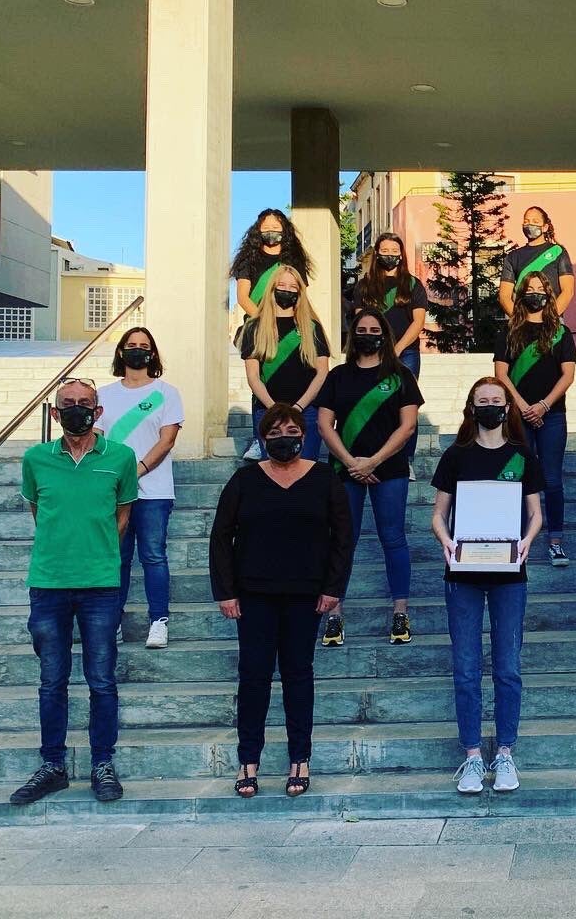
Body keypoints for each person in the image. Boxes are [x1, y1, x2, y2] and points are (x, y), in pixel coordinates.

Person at [210, 405, 351, 798]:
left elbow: (342, 537)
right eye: (274, 432)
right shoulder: (243, 480)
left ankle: (299, 760)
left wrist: (333, 588)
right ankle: (248, 763)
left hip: (306, 596)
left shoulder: (324, 479)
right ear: (263, 437)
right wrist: (226, 591)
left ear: (304, 436)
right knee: (253, 677)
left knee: (298, 676)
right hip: (253, 596)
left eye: (291, 430)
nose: (283, 437)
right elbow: (221, 537)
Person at [10, 379, 139, 806]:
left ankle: (103, 763)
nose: (77, 410)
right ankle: (53, 766)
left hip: (101, 584)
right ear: (54, 413)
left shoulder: (120, 458)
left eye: (85, 403)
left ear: (98, 412)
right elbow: (37, 510)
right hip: (48, 583)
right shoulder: (35, 459)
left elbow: (122, 515)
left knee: (102, 681)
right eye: (68, 404)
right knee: (52, 681)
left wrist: (96, 550)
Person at [431, 378, 545, 795]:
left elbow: (535, 514)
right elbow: (438, 515)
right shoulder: (456, 456)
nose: (491, 406)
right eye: (484, 401)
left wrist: (528, 542)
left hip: (508, 574)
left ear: (508, 406)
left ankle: (506, 754)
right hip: (462, 574)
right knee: (465, 669)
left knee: (507, 667)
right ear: (471, 407)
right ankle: (473, 757)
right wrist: (445, 540)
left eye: (497, 400)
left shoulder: (522, 456)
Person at [316, 307, 424, 648]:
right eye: (360, 329)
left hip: (388, 470)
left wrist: (373, 461)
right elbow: (323, 424)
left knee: (392, 538)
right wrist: (351, 462)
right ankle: (334, 614)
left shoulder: (401, 376)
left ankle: (400, 612)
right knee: (340, 541)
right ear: (353, 335)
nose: (367, 334)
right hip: (344, 470)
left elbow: (407, 426)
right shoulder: (338, 376)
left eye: (373, 329)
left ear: (385, 335)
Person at [98, 327, 183, 650]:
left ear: (153, 353)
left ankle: (158, 622)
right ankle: (112, 622)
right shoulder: (104, 395)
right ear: (121, 352)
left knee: (153, 556)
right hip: (113, 490)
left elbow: (167, 439)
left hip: (155, 490)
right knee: (116, 558)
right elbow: (98, 440)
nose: (137, 350)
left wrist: (139, 470)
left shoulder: (166, 393)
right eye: (131, 345)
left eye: (144, 346)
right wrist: (118, 478)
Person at [493, 270, 576, 566]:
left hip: (552, 416)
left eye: (541, 288)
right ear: (520, 293)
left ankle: (555, 540)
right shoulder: (508, 332)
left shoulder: (561, 333)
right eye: (529, 288)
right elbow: (500, 374)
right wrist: (524, 407)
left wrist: (543, 405)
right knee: (516, 477)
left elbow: (568, 374)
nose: (535, 293)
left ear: (549, 294)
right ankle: (515, 538)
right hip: (516, 417)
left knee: (552, 479)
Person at [240, 264, 331, 460]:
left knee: (306, 471)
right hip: (267, 411)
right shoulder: (254, 327)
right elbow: (253, 376)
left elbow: (322, 372)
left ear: (300, 291)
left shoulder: (312, 328)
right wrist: (274, 409)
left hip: (307, 412)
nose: (287, 290)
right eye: (281, 285)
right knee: (272, 474)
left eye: (293, 287)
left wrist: (298, 408)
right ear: (272, 288)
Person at [357, 232, 427, 379]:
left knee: (406, 397)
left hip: (407, 352)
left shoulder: (413, 284)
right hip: (372, 351)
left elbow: (419, 321)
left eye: (395, 251)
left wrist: (397, 349)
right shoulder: (364, 286)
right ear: (377, 254)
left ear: (401, 255)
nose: (390, 255)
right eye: (385, 251)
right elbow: (359, 320)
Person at [230, 208, 312, 321]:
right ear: (258, 231)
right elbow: (242, 298)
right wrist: (264, 321)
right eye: (266, 228)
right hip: (256, 324)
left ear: (284, 230)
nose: (271, 231)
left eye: (275, 228)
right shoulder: (247, 260)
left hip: (288, 325)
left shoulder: (294, 260)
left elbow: (301, 295)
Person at [499, 204, 574, 317]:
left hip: (553, 322)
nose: (530, 224)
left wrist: (550, 319)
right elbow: (504, 296)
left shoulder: (558, 252)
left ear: (545, 227)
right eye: (526, 221)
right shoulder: (512, 257)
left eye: (535, 221)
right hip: (523, 324)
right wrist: (520, 321)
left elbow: (568, 291)